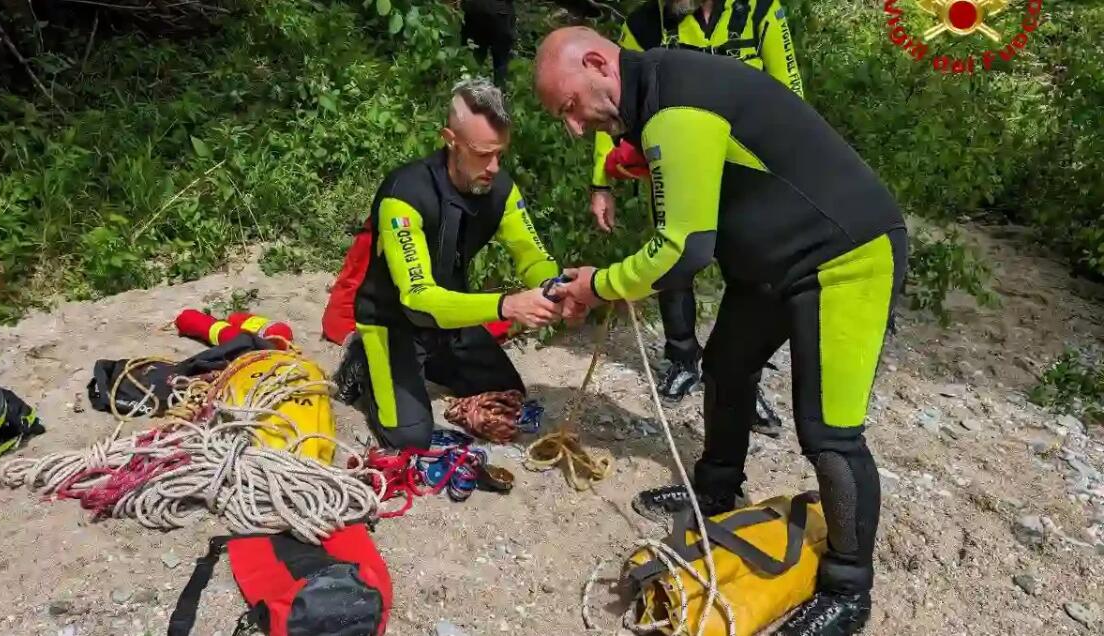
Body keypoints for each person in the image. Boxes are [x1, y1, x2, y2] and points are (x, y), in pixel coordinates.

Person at [534, 27, 907, 636]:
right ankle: (714, 491)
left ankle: (848, 590)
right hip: (773, 265)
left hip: (847, 257)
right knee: (727, 365)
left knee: (829, 435)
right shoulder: (657, 95)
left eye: (570, 108)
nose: (575, 128)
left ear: (599, 63)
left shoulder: (676, 106)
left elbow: (683, 250)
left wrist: (597, 286)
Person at [334, 77, 573, 451]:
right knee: (410, 438)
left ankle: (427, 362)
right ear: (450, 139)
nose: (493, 167)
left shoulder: (501, 190)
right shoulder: (405, 195)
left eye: (500, 154)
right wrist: (506, 306)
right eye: (481, 153)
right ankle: (364, 358)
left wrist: (555, 286)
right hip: (393, 320)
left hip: (451, 320)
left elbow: (531, 255)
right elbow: (418, 298)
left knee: (509, 391)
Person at [591, 0, 805, 407]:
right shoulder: (645, 21)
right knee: (673, 258)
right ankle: (682, 356)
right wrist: (600, 183)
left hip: (745, 170)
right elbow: (610, 103)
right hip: (675, 165)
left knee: (753, 274)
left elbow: (790, 92)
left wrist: (791, 167)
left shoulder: (760, 11)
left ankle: (743, 378)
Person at [461, 0, 517, 91]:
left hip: (474, 11)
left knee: (474, 57)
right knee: (501, 61)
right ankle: (500, 93)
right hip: (499, 13)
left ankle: (466, 90)